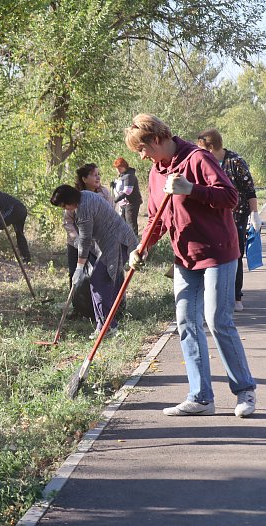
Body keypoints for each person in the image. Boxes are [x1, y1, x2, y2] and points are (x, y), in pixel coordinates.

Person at [125, 114, 256, 418]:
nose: (142, 156)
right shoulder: (156, 173)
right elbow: (156, 218)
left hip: (218, 252)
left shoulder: (198, 159)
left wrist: (191, 189)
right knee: (186, 323)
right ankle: (200, 398)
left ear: (157, 139)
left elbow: (230, 197)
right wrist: (140, 248)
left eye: (143, 149)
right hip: (185, 258)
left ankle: (245, 391)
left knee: (217, 319)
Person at [51, 184, 136, 338]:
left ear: (70, 199)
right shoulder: (85, 195)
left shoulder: (83, 208)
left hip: (116, 241)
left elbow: (84, 239)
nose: (66, 209)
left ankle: (106, 327)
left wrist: (79, 268)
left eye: (65, 205)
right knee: (109, 281)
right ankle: (109, 323)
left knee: (98, 282)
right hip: (118, 239)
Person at [196, 129, 261, 312]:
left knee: (235, 255)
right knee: (210, 256)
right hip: (210, 218)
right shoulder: (201, 162)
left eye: (201, 147)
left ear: (210, 147)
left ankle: (235, 295)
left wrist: (254, 214)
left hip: (236, 217)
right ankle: (211, 295)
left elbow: (249, 190)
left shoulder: (235, 162)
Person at [64, 163, 115, 286]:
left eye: (98, 175)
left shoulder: (104, 193)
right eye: (94, 175)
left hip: (98, 243)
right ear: (84, 179)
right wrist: (76, 239)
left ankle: (97, 302)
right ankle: (77, 303)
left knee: (98, 274)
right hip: (76, 243)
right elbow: (68, 222)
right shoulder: (74, 196)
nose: (98, 178)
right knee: (75, 273)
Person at [112, 157, 143, 236]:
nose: (118, 170)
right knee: (123, 223)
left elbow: (127, 191)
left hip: (132, 202)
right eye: (117, 168)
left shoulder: (129, 176)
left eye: (120, 167)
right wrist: (114, 185)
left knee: (131, 223)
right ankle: (127, 242)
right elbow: (120, 189)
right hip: (124, 203)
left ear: (125, 166)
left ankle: (135, 242)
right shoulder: (123, 176)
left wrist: (115, 200)